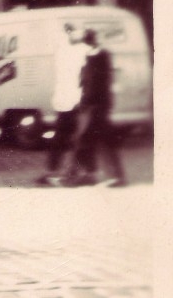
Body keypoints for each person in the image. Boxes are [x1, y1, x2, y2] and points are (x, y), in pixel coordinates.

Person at [70, 29, 127, 187]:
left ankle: (99, 175)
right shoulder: (89, 57)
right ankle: (94, 174)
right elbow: (85, 82)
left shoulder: (102, 56)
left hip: (99, 106)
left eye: (87, 40)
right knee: (92, 140)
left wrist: (90, 102)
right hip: (91, 106)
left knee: (91, 140)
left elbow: (100, 83)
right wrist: (82, 101)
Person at [37, 23, 88, 186]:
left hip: (76, 101)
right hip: (66, 102)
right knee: (63, 138)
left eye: (70, 32)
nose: (68, 35)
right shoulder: (65, 50)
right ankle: (58, 172)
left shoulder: (81, 51)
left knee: (74, 138)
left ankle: (74, 172)